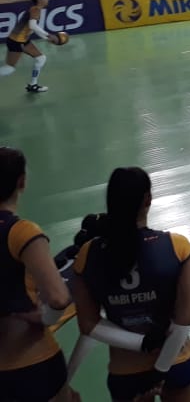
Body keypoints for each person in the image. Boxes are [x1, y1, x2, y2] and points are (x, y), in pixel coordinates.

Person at [70, 167, 190, 402]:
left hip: (125, 370)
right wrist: (160, 369)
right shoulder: (177, 247)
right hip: (175, 361)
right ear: (148, 199)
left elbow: (88, 324)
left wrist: (141, 344)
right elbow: (184, 320)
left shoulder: (87, 255)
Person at [0, 147, 80, 402]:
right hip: (33, 365)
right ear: (21, 182)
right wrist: (40, 317)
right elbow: (58, 298)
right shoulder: (22, 233)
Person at [1, 0, 60, 93]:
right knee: (9, 68)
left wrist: (47, 39)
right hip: (16, 41)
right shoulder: (35, 9)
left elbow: (32, 29)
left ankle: (33, 85)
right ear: (39, 0)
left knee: (41, 58)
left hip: (23, 40)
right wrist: (49, 35)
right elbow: (33, 26)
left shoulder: (36, 9)